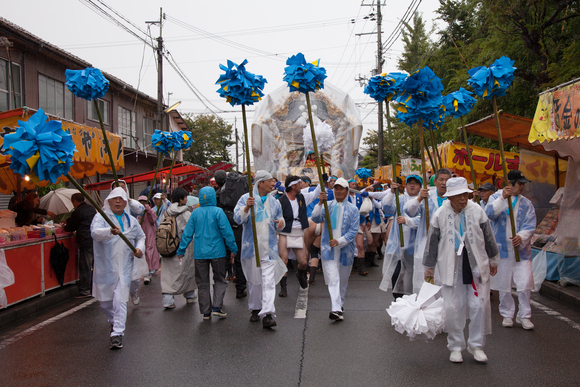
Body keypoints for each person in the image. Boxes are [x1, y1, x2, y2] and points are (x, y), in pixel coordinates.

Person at [423, 177, 499, 363]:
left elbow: (488, 237)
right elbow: (432, 242)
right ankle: (456, 346)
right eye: (458, 196)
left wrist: (493, 259)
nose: (463, 199)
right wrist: (429, 268)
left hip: (475, 265)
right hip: (451, 265)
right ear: (449, 197)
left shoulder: (477, 210)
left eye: (465, 194)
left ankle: (476, 345)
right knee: (452, 307)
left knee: (479, 305)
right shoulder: (441, 213)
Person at [91, 187, 145, 349]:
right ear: (108, 201)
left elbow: (141, 236)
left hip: (124, 268)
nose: (118, 201)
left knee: (120, 300)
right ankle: (114, 321)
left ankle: (117, 334)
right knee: (105, 302)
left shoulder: (132, 221)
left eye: (121, 199)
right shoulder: (101, 217)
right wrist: (110, 231)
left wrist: (139, 249)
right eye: (115, 199)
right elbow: (95, 233)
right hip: (105, 268)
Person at [234, 170, 287, 328]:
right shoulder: (246, 198)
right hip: (251, 247)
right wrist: (245, 209)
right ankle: (255, 308)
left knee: (269, 282)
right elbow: (237, 219)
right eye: (270, 181)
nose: (273, 183)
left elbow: (280, 217)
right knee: (255, 281)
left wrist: (281, 222)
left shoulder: (274, 201)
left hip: (269, 248)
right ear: (261, 182)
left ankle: (268, 314)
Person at [176, 186, 238, 319]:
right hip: (218, 252)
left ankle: (205, 311)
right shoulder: (218, 212)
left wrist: (181, 249)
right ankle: (217, 307)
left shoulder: (195, 213)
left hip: (200, 253)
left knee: (202, 283)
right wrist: (233, 248)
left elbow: (187, 234)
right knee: (220, 279)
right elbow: (226, 232)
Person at [486, 170, 537, 330]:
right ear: (510, 183)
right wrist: (502, 199)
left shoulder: (526, 203)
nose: (522, 187)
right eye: (519, 183)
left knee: (524, 282)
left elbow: (530, 223)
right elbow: (489, 214)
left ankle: (525, 315)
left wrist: (522, 237)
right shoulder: (495, 197)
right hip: (502, 250)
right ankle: (507, 314)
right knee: (504, 284)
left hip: (521, 250)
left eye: (523, 184)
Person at [312, 178, 359, 321]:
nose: (338, 191)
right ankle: (336, 308)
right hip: (328, 250)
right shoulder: (328, 206)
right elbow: (315, 217)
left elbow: (353, 231)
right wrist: (320, 202)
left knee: (343, 280)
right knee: (333, 279)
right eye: (336, 188)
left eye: (342, 188)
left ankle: (339, 304)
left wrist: (339, 241)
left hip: (346, 250)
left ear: (347, 190)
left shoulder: (353, 209)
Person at [404, 168, 452, 289]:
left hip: (447, 245)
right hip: (425, 244)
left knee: (444, 283)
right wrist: (419, 198)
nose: (444, 183)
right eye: (441, 179)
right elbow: (409, 211)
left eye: (447, 180)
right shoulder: (427, 196)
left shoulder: (454, 198)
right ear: (434, 181)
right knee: (424, 283)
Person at [377, 176, 421, 297]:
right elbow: (387, 207)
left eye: (415, 184)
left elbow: (422, 220)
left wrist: (408, 221)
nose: (412, 186)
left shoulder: (422, 201)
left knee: (411, 279)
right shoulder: (400, 199)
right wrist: (391, 192)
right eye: (410, 183)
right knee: (396, 276)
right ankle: (398, 303)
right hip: (397, 247)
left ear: (420, 187)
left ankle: (411, 305)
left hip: (414, 248)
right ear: (405, 186)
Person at [277, 175, 321, 296]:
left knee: (303, 261)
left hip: (298, 232)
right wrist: (279, 220)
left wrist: (322, 180)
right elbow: (275, 215)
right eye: (299, 183)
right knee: (283, 260)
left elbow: (315, 193)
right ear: (292, 186)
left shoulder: (302, 197)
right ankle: (283, 287)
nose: (301, 185)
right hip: (285, 232)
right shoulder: (280, 201)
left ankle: (300, 274)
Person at [159, 187, 198, 309]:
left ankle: (168, 300)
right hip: (182, 248)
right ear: (181, 200)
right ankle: (190, 294)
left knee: (168, 274)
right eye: (185, 197)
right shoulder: (185, 213)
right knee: (186, 271)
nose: (187, 200)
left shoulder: (166, 212)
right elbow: (190, 232)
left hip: (167, 248)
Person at [110, 180, 147, 306]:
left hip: (130, 247)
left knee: (134, 278)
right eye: (116, 188)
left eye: (122, 188)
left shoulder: (130, 204)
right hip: (115, 248)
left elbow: (141, 209)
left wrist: (128, 199)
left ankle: (134, 292)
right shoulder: (110, 207)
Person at [215, 170, 248, 299]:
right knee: (239, 259)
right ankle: (240, 288)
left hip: (224, 226)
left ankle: (220, 291)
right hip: (238, 227)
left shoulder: (220, 193)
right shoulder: (242, 192)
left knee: (224, 258)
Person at [63, 193, 97, 298]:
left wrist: (64, 226)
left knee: (85, 266)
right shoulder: (92, 209)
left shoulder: (78, 211)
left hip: (85, 241)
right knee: (95, 265)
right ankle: (95, 288)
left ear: (75, 201)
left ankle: (85, 290)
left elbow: (71, 227)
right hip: (95, 240)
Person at [137, 195, 159, 285]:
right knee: (142, 254)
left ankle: (148, 273)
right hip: (139, 236)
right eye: (140, 202)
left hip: (149, 235)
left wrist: (148, 211)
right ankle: (145, 272)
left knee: (149, 253)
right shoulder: (136, 213)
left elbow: (153, 219)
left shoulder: (151, 211)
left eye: (144, 202)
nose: (142, 204)